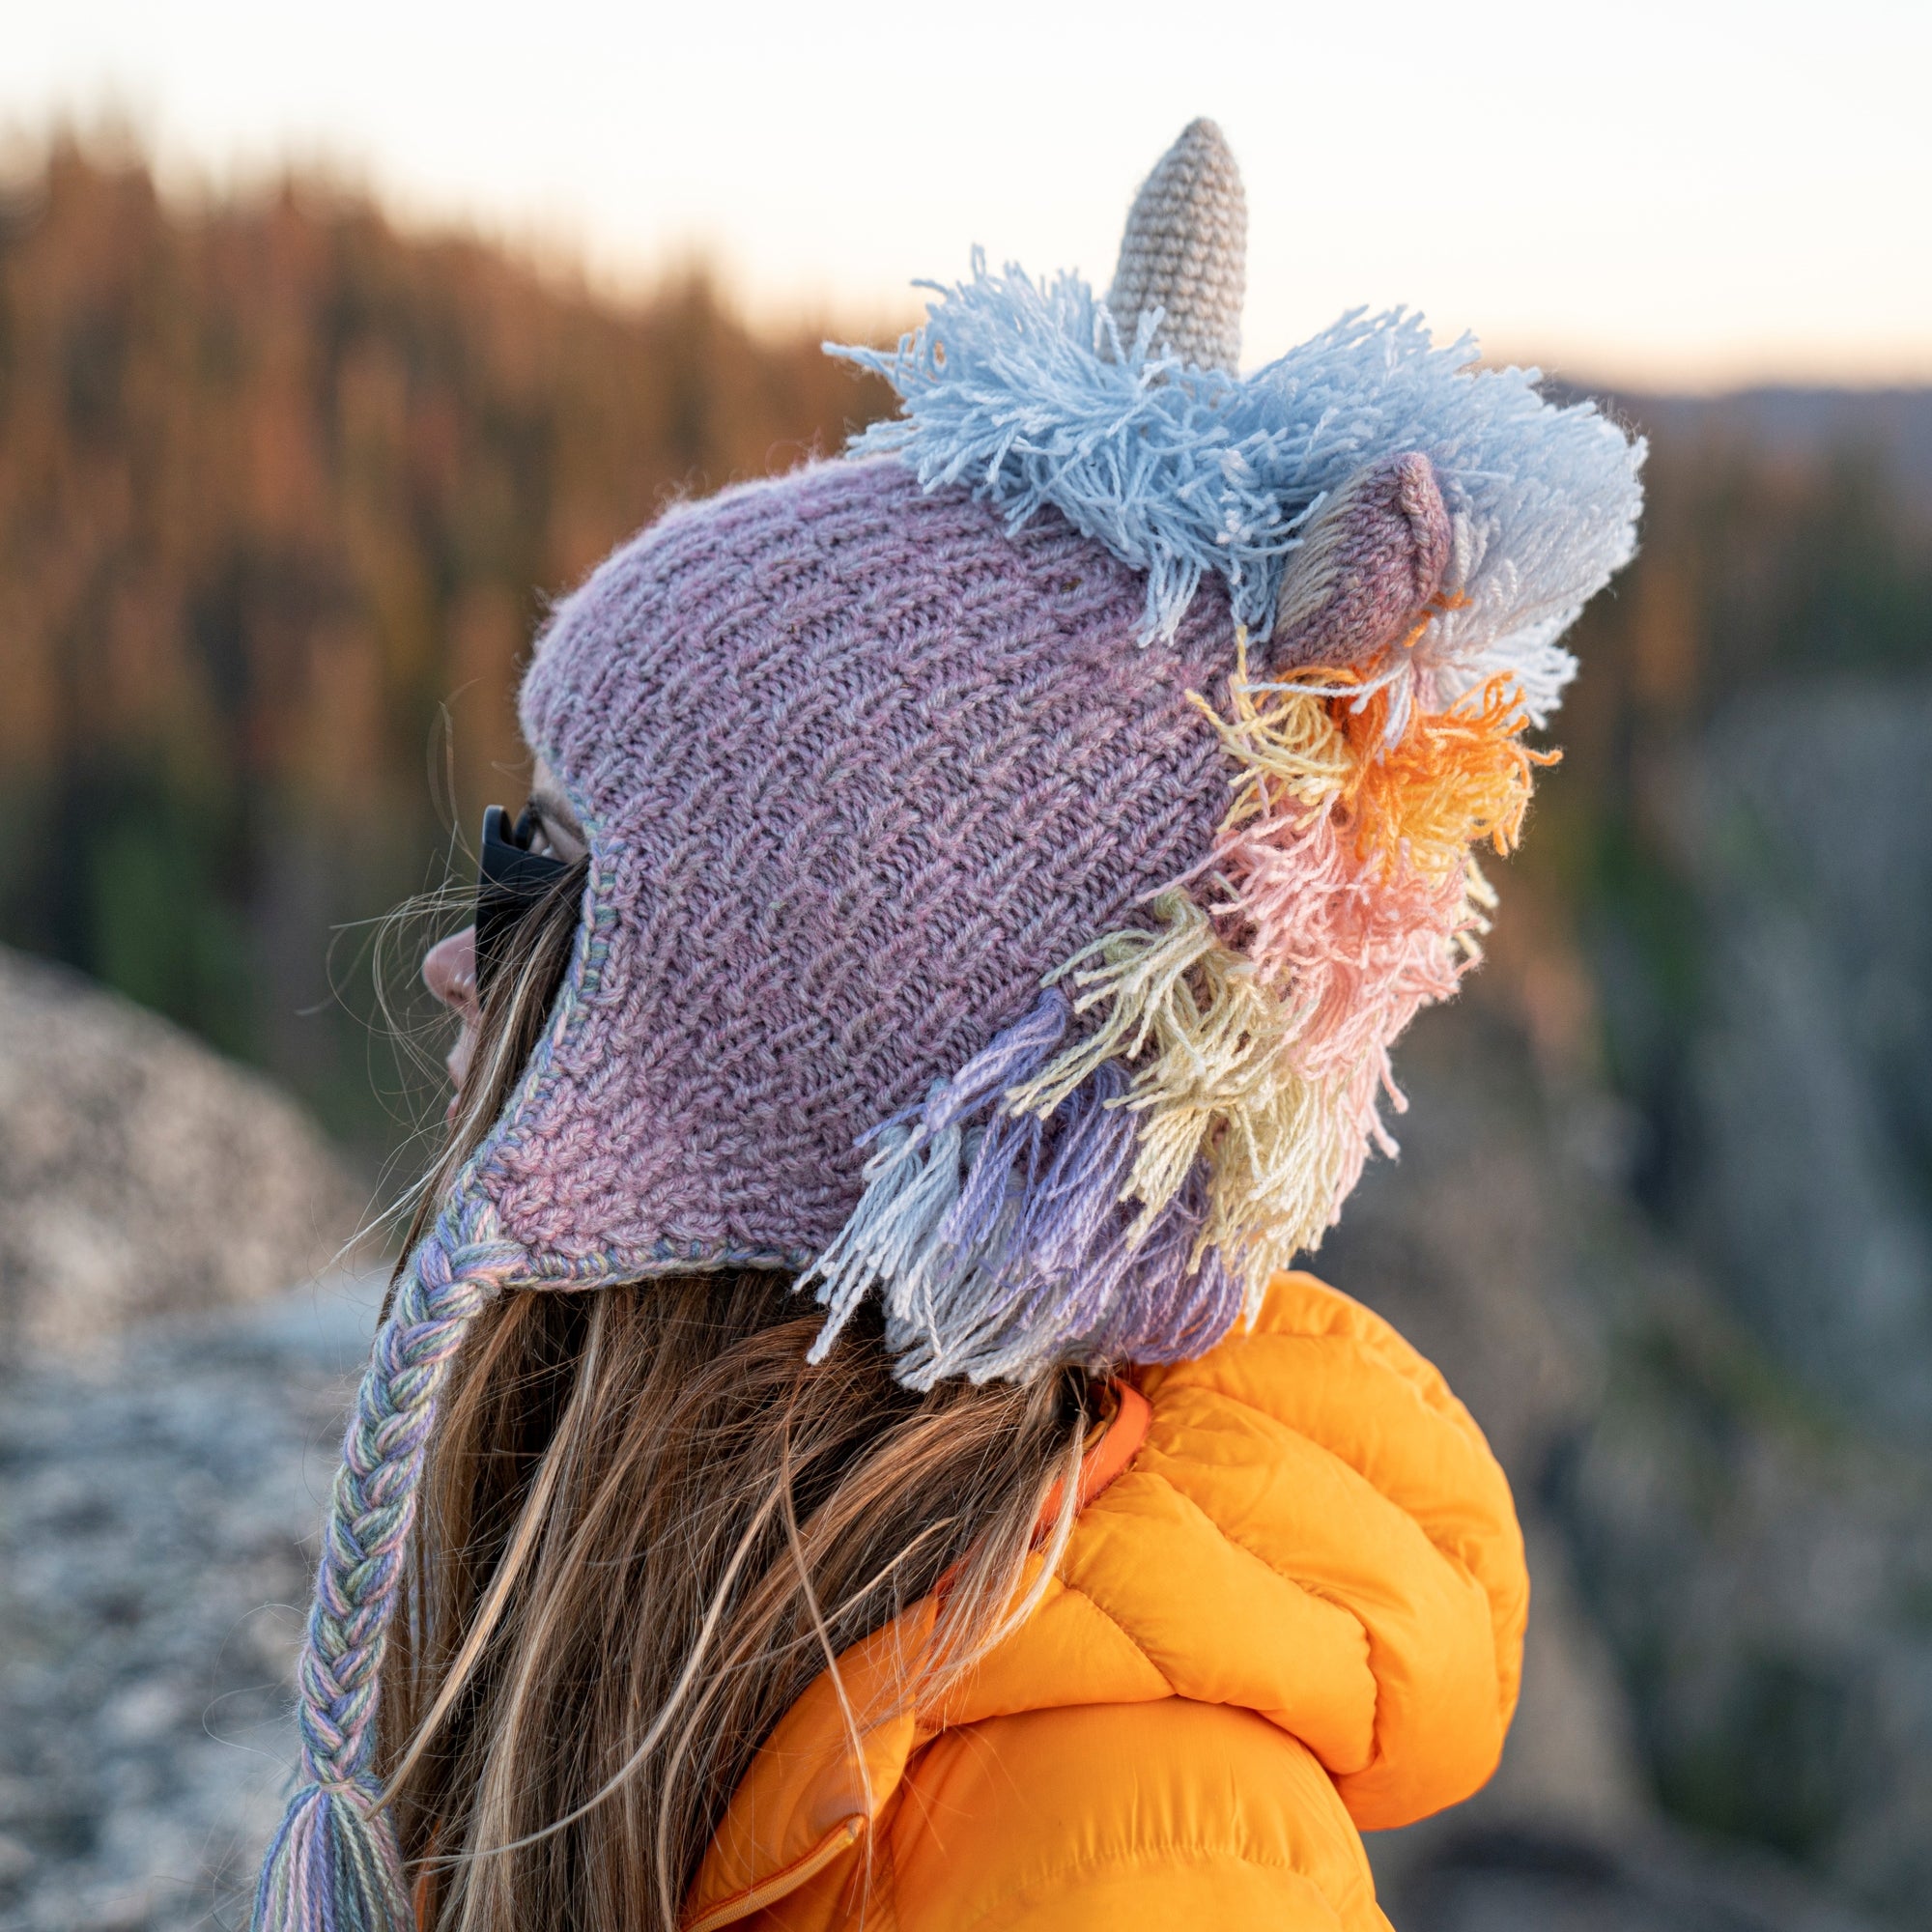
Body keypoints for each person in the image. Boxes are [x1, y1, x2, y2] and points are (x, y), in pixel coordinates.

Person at [252, 121, 1643, 1932]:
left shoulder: (1128, 1854)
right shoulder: (691, 1610)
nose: (458, 956)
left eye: (548, 865)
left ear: (796, 1047)